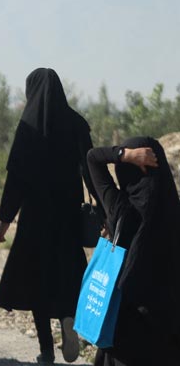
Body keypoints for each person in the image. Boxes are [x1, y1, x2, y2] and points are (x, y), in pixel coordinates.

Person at [0, 68, 99, 364]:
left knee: (38, 281)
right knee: (66, 273)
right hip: (67, 217)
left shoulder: (29, 126)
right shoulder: (76, 122)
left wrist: (4, 220)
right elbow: (91, 169)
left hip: (35, 220)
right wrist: (105, 210)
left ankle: (46, 350)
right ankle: (67, 317)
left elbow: (17, 179)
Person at [86, 137, 180, 365]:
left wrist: (123, 154)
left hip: (125, 327)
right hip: (169, 330)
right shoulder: (174, 213)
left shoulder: (121, 208)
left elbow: (92, 158)